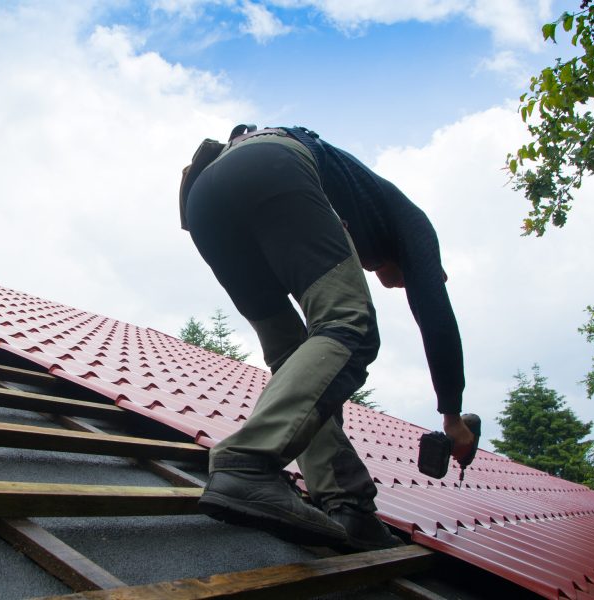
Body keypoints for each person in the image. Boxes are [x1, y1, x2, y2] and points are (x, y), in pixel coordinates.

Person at [182, 125, 477, 551]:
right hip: (271, 165)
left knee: (291, 354)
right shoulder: (413, 226)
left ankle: (348, 506)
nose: (397, 284)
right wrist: (453, 416)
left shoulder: (354, 213)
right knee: (350, 324)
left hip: (205, 201)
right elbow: (436, 315)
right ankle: (247, 462)